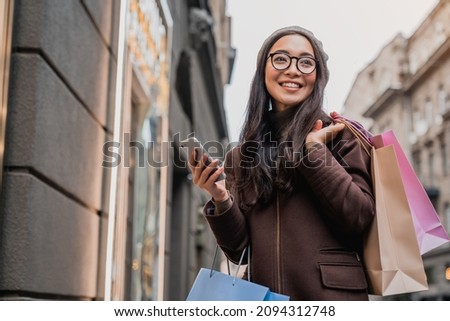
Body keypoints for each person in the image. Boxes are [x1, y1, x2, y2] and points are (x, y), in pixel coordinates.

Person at [188, 26, 375, 300]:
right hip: (264, 301)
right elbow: (239, 250)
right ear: (263, 70)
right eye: (281, 59)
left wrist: (312, 151)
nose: (293, 70)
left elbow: (359, 218)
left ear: (318, 76)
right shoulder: (241, 156)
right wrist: (220, 197)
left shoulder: (340, 135)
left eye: (306, 62)